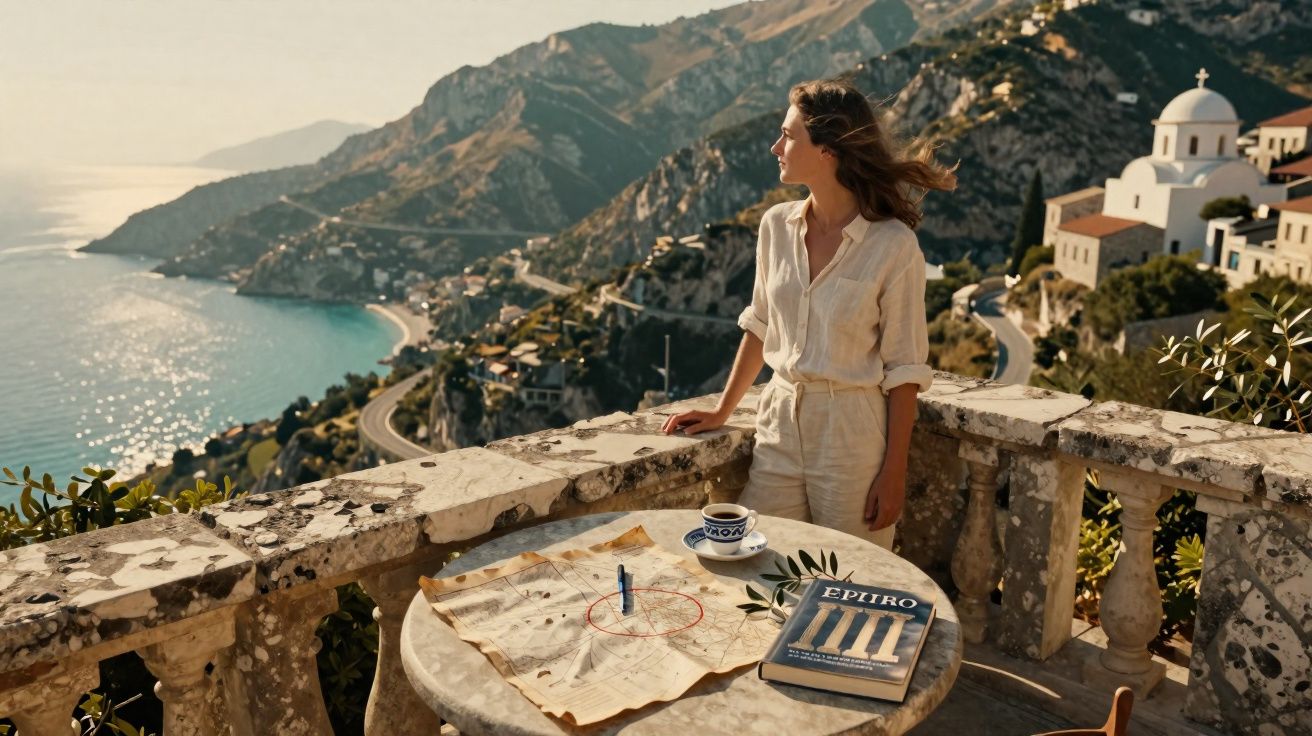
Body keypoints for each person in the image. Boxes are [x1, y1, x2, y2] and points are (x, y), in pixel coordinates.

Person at [661, 78, 956, 550]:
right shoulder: (775, 226)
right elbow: (760, 325)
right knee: (764, 565)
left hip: (851, 434)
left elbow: (905, 370)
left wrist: (894, 471)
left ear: (828, 151)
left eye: (789, 135)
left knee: (854, 577)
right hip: (777, 420)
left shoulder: (893, 246)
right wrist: (723, 408)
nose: (776, 146)